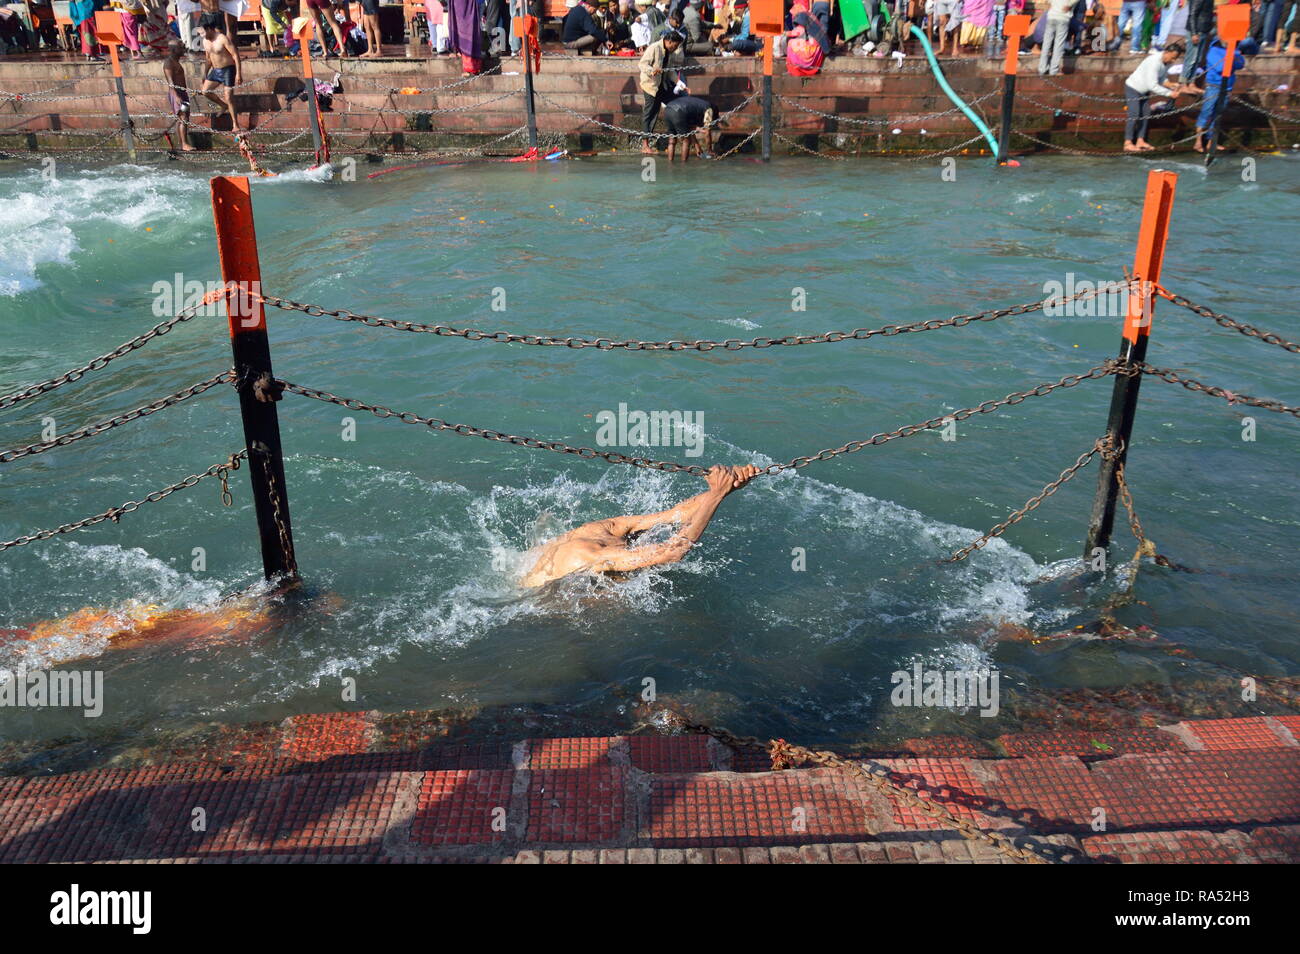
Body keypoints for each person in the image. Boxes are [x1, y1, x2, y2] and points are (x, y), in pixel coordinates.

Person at [520, 465, 760, 587]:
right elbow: (673, 552)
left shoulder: (606, 527)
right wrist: (717, 494)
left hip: (529, 577)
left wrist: (724, 489)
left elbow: (677, 514)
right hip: (546, 607)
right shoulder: (593, 554)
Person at [1123, 38, 1186, 151]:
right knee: (1134, 114)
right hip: (1133, 88)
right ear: (1166, 52)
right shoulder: (1154, 62)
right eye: (1172, 58)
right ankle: (1127, 143)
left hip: (1144, 91)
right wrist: (1170, 93)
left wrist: (1170, 84)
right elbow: (1153, 85)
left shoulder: (1166, 62)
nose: (1173, 61)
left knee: (1146, 113)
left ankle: (1140, 141)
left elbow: (1161, 78)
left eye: (1175, 59)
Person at [1195, 36, 1254, 151]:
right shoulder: (1214, 50)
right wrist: (1231, 58)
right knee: (1206, 113)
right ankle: (1197, 142)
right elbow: (1221, 67)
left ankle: (1211, 142)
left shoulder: (1234, 50)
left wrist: (1231, 57)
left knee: (1218, 114)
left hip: (1227, 88)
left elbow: (1240, 64)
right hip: (1213, 87)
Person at [639, 26, 685, 151]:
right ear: (669, 41)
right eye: (674, 46)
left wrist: (678, 82)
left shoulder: (668, 52)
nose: (675, 49)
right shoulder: (654, 48)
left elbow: (669, 71)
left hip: (660, 85)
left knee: (655, 112)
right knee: (649, 113)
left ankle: (647, 142)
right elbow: (642, 64)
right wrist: (652, 70)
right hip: (650, 85)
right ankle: (644, 144)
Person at [199, 12, 241, 130]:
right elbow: (208, 59)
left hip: (228, 69)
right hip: (216, 70)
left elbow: (235, 55)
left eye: (203, 32)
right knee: (205, 91)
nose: (202, 35)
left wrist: (238, 73)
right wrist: (204, 74)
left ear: (209, 29)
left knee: (228, 96)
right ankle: (223, 106)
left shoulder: (222, 38)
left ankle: (235, 124)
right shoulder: (205, 41)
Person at [163, 38, 195, 150]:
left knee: (182, 117)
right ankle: (184, 144)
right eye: (180, 48)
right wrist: (176, 96)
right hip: (176, 93)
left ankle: (182, 143)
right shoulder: (168, 63)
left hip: (182, 92)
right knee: (183, 117)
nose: (183, 49)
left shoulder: (175, 61)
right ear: (174, 50)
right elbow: (170, 82)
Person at [663, 94, 715, 158]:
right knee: (686, 141)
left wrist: (696, 145)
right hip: (679, 111)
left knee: (671, 141)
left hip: (667, 109)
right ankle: (684, 166)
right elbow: (707, 132)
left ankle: (670, 164)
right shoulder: (709, 109)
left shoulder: (695, 106)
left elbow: (690, 129)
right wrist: (710, 150)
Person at [1039, 0, 1074, 73]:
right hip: (1063, 17)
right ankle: (1053, 71)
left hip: (1051, 15)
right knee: (1059, 45)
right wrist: (1069, 4)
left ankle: (1042, 69)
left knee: (1046, 43)